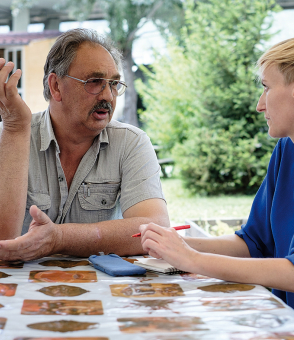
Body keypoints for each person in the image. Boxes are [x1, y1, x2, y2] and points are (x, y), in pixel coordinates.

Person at [139, 34, 294, 338]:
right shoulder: (286, 152)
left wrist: (191, 259)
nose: (260, 105)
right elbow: (254, 244)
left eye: (266, 87)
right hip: (283, 326)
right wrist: (174, 244)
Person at [0, 28, 169, 261]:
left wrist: (58, 238)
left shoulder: (131, 143)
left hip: (102, 291)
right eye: (95, 82)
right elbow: (3, 243)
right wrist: (15, 129)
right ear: (56, 86)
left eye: (113, 84)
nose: (108, 96)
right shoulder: (10, 135)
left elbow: (154, 229)